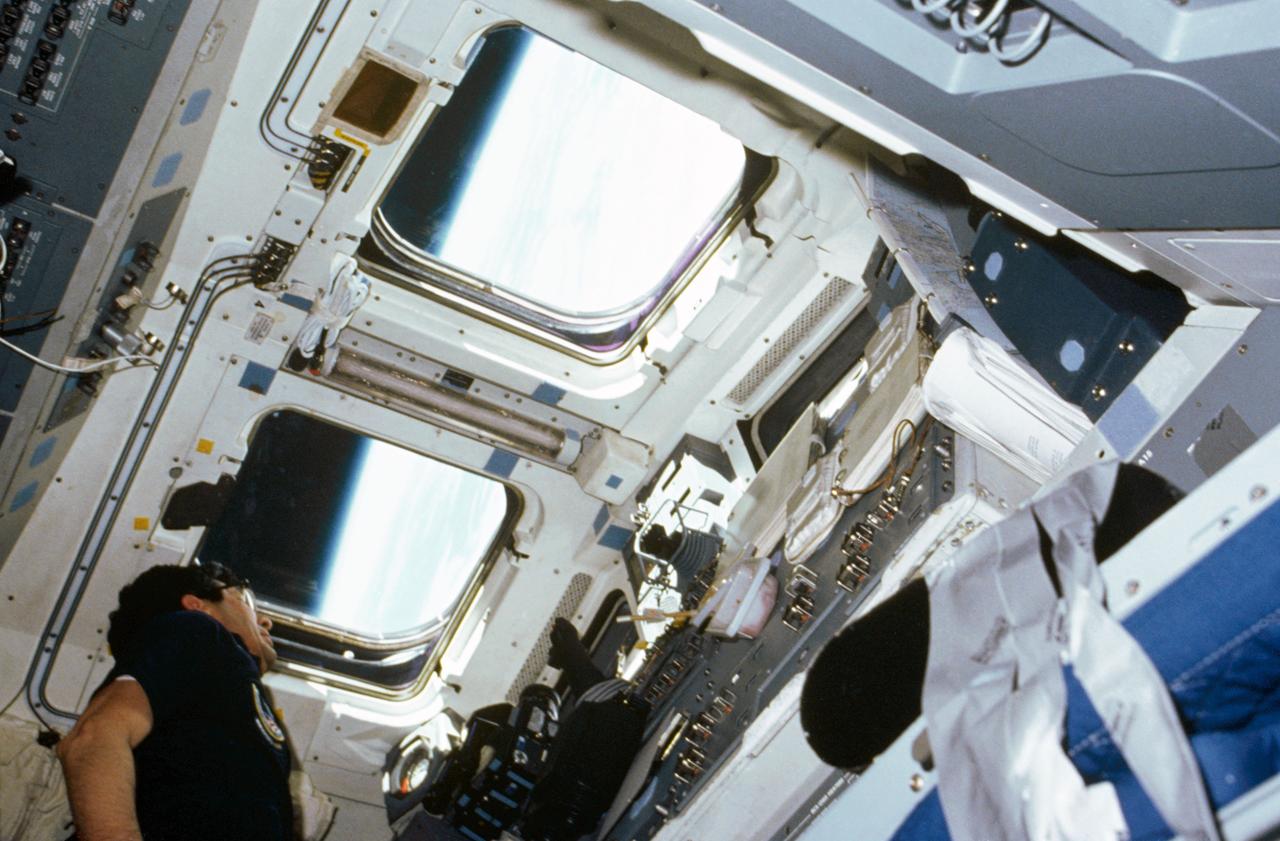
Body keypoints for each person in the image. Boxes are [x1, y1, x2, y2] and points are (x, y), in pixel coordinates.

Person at [56, 562, 293, 841]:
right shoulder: (197, 630)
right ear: (197, 605)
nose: (265, 621)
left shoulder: (231, 684)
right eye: (245, 600)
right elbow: (94, 738)